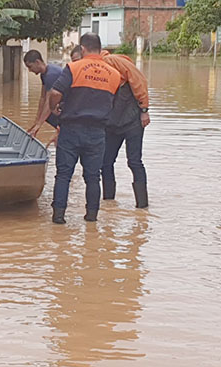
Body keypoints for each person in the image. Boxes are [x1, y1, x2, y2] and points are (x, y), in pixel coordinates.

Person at [41, 33, 121, 224]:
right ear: (100, 50)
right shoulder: (114, 74)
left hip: (71, 129)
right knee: (93, 177)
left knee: (63, 175)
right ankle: (91, 217)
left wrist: (54, 108)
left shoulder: (74, 68)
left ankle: (59, 216)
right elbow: (113, 102)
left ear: (83, 49)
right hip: (98, 132)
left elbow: (55, 92)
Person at [100, 50, 150, 208]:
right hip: (111, 123)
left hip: (133, 121)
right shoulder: (92, 69)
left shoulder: (113, 61)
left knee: (134, 162)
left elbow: (139, 81)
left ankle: (142, 207)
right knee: (105, 162)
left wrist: (144, 110)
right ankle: (109, 203)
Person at [23, 50, 62, 145]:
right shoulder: (44, 75)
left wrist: (38, 126)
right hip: (60, 105)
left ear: (37, 62)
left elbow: (49, 103)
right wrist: (36, 121)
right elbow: (43, 98)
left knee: (50, 113)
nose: (30, 70)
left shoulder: (51, 75)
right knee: (46, 117)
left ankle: (61, 131)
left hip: (68, 106)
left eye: (30, 67)